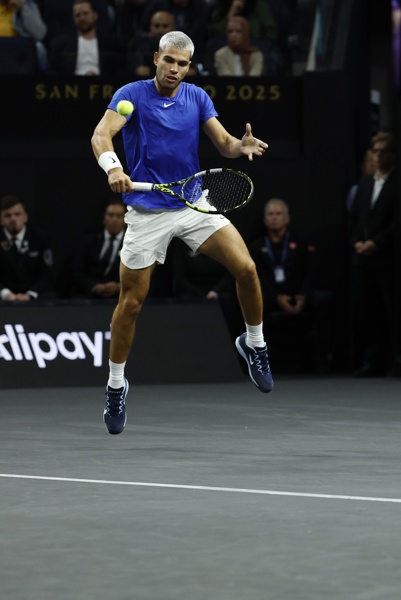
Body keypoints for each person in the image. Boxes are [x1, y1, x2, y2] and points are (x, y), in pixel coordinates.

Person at [90, 30, 272, 436]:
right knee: (131, 304)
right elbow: (101, 135)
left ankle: (254, 344)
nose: (174, 69)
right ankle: (116, 385)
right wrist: (113, 167)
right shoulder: (131, 95)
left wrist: (238, 147)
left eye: (182, 64)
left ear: (189, 67)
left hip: (193, 202)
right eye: (169, 61)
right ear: (156, 58)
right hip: (147, 212)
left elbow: (223, 143)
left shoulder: (197, 98)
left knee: (246, 269)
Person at [248, 198, 330, 371]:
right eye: (270, 214)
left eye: (278, 214)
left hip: (298, 295)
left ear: (287, 218)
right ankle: (258, 362)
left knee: (325, 300)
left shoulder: (301, 243)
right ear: (264, 220)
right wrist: (277, 297)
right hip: (270, 298)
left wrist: (303, 295)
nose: (274, 218)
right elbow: (258, 277)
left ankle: (323, 360)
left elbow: (311, 272)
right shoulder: (256, 246)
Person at [347, 131, 398, 377]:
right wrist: (356, 242)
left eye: (382, 152)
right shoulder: (365, 183)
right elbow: (354, 218)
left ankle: (395, 359)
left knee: (390, 310)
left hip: (386, 259)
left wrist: (376, 243)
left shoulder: (398, 184)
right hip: (361, 259)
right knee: (365, 311)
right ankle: (371, 360)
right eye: (374, 151)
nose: (377, 156)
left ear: (391, 154)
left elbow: (398, 222)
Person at [0, 195, 53, 303]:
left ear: (25, 217)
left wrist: (30, 294)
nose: (13, 219)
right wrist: (5, 293)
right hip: (3, 294)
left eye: (17, 214)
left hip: (34, 293)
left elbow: (46, 274)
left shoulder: (40, 238)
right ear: (1, 219)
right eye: (7, 215)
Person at [70, 199, 126, 299]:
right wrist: (94, 287)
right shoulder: (88, 241)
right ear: (104, 218)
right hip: (87, 296)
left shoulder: (133, 245)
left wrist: (119, 287)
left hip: (121, 298)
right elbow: (77, 271)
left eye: (119, 216)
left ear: (126, 220)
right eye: (110, 215)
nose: (114, 219)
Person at [47, 0, 121, 75]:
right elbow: (52, 71)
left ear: (95, 15)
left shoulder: (110, 43)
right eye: (78, 15)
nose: (82, 18)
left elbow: (119, 71)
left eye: (85, 14)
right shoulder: (61, 44)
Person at [127, 9, 175, 78]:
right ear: (150, 27)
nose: (160, 30)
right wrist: (137, 68)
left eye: (165, 26)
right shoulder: (139, 45)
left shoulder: (182, 46)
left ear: (173, 28)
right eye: (156, 26)